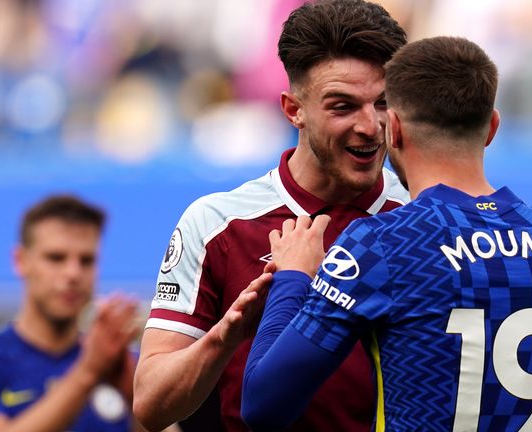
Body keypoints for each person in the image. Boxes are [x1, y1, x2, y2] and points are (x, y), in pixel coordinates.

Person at [241, 36, 532, 431]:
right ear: (492, 127)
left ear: (394, 129)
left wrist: (292, 277)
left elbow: (262, 405)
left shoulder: (383, 246)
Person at [131, 1, 408, 431]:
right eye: (343, 106)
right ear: (293, 109)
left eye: (383, 103)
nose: (370, 126)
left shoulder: (420, 215)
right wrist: (227, 334)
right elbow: (151, 405)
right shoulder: (218, 224)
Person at [0, 195, 142, 432]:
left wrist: (135, 396)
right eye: (56, 258)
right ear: (20, 261)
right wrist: (88, 372)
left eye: (86, 260)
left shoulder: (119, 361)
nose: (73, 273)